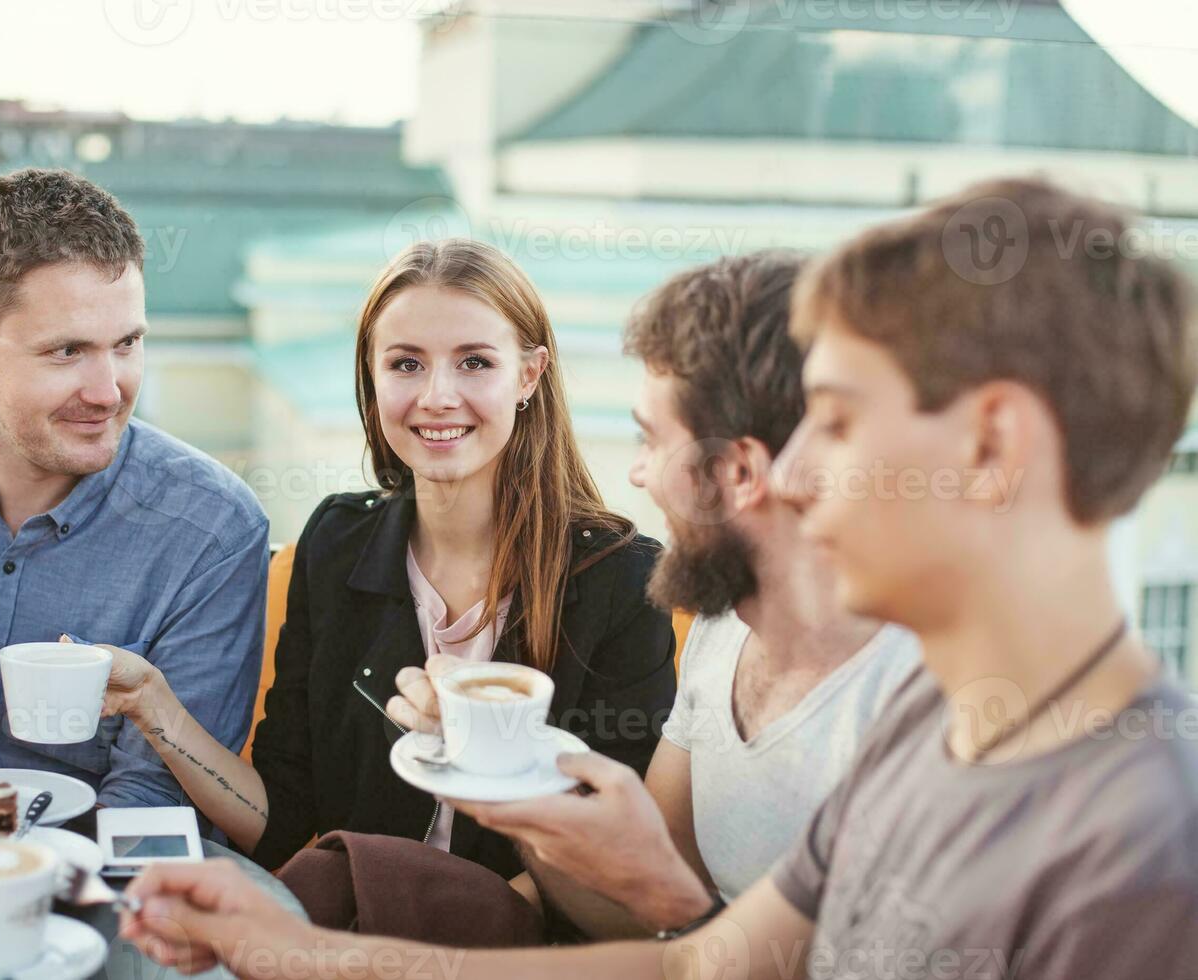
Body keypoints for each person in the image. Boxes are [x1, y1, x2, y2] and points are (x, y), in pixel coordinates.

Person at [118, 177, 1198, 978]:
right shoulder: (937, 720)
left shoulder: (1146, 846)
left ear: (993, 443)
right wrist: (300, 950)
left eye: (839, 418)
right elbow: (695, 959)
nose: (787, 474)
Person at [96, 238, 677, 880]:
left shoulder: (622, 581)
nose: (437, 396)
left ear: (530, 376)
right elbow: (281, 819)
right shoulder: (336, 543)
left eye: (475, 362)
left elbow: (621, 866)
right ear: (371, 379)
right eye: (405, 365)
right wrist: (154, 706)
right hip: (356, 930)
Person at [385, 252, 920, 941]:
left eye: (650, 439)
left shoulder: (913, 707)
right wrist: (504, 778)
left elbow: (677, 919)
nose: (637, 475)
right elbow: (636, 921)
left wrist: (679, 910)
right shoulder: (725, 630)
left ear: (737, 471)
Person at [0, 168, 270, 814]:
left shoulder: (213, 530)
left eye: (127, 344)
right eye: (67, 352)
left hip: (102, 878)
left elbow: (151, 798)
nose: (108, 389)